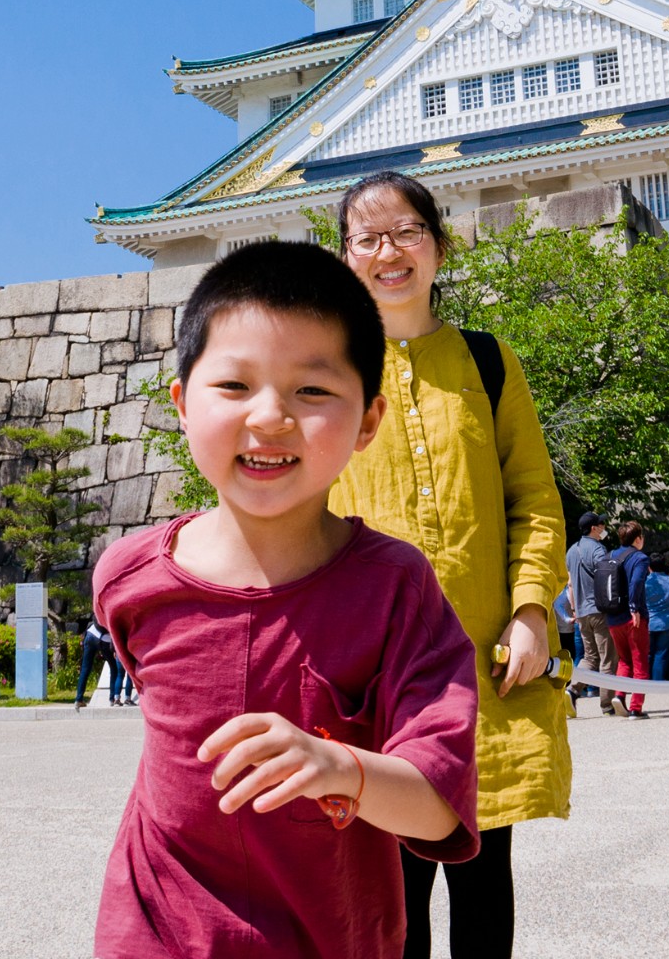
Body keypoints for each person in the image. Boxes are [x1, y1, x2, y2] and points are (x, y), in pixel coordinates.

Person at [92, 240, 480, 959]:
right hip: (156, 935)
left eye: (312, 391)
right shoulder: (129, 578)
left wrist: (340, 769)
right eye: (234, 387)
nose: (269, 417)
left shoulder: (395, 588)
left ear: (368, 421)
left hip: (331, 937)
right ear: (181, 404)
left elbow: (436, 807)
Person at [330, 171, 571, 959]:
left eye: (406, 232)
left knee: (482, 875)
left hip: (482, 665)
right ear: (345, 257)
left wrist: (533, 608)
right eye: (367, 237)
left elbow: (533, 497)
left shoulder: (488, 361)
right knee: (386, 894)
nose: (388, 252)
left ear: (438, 246)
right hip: (373, 674)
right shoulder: (327, 376)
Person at [565, 514, 617, 718]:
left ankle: (572, 690)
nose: (604, 529)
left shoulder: (571, 551)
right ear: (594, 528)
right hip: (598, 609)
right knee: (607, 657)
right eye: (602, 525)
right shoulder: (597, 548)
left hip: (581, 611)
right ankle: (607, 705)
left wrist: (574, 609)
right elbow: (605, 573)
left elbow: (570, 583)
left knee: (589, 656)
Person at [605, 522, 652, 718]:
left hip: (612, 617)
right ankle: (636, 707)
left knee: (624, 660)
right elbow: (637, 582)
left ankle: (619, 695)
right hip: (634, 618)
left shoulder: (609, 556)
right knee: (640, 661)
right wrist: (634, 608)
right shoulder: (640, 558)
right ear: (638, 539)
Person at [644, 554, 669, 683]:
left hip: (647, 622)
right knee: (661, 654)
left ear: (649, 566)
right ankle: (658, 682)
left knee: (647, 654)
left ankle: (644, 681)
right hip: (667, 622)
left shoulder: (644, 582)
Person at [74, 618, 112, 708]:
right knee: (114, 667)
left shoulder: (98, 606)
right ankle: (113, 698)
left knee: (85, 669)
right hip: (105, 638)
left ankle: (78, 699)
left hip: (91, 633)